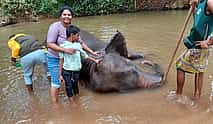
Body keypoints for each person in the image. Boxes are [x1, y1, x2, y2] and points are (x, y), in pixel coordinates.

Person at [46, 6, 99, 105]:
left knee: (71, 81)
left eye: (69, 15)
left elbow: (81, 42)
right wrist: (65, 50)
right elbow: (49, 44)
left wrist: (92, 52)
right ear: (60, 16)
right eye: (64, 14)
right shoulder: (55, 27)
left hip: (68, 60)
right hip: (55, 57)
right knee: (56, 82)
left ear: (72, 16)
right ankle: (55, 104)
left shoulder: (72, 29)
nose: (67, 16)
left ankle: (74, 98)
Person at [175, 0, 213, 100]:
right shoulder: (201, 4)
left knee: (180, 66)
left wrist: (209, 42)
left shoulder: (209, 2)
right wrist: (194, 10)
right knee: (199, 70)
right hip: (196, 44)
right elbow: (198, 24)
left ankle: (178, 96)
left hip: (200, 45)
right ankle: (197, 98)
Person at [59, 25, 100, 107]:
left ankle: (76, 96)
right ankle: (72, 101)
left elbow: (85, 55)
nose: (79, 37)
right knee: (68, 85)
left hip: (76, 70)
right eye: (77, 35)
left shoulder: (78, 45)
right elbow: (61, 60)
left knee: (75, 84)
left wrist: (95, 60)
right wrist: (60, 75)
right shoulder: (62, 47)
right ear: (72, 35)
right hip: (66, 70)